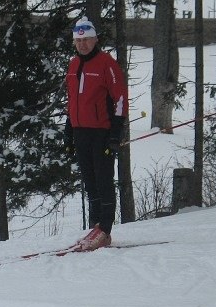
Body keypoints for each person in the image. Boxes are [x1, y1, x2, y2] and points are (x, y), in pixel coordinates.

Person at [64, 17, 127, 251]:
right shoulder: (73, 64)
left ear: (95, 40)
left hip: (102, 131)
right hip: (80, 131)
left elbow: (120, 99)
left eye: (87, 40)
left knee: (103, 180)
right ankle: (96, 227)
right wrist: (68, 131)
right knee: (90, 182)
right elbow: (72, 100)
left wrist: (115, 133)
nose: (82, 44)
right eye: (78, 41)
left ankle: (105, 229)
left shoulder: (106, 63)